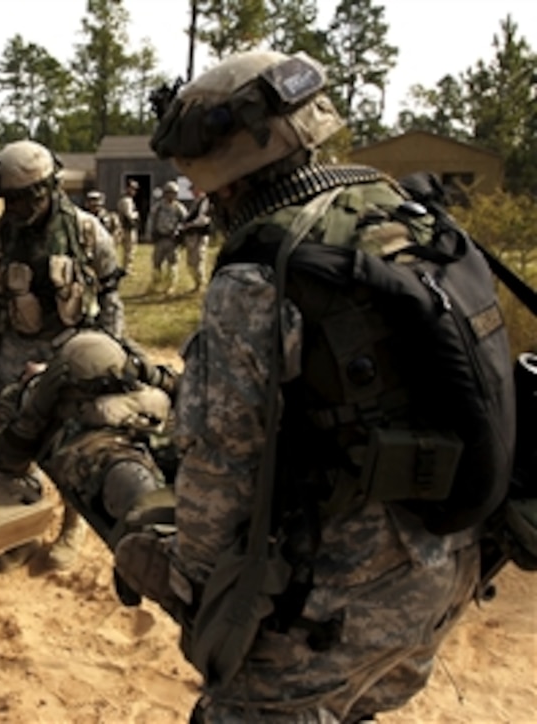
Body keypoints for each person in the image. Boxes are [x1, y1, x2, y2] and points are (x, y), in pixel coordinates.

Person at [120, 50, 486, 722]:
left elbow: (223, 459)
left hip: (337, 596)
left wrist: (187, 579)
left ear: (224, 179)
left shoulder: (262, 274)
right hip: (446, 564)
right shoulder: (403, 213)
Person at [0, 139, 125, 568]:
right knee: (14, 447)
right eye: (8, 200)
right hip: (15, 354)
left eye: (21, 199)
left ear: (46, 190)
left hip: (73, 351)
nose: (14, 209)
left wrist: (111, 366)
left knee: (72, 443)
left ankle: (71, 529)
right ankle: (22, 527)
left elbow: (110, 302)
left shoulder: (90, 234)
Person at [0, 330, 180, 569]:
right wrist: (33, 415)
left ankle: (72, 527)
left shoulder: (130, 390)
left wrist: (156, 376)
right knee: (124, 478)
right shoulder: (28, 398)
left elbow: (199, 394)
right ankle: (24, 530)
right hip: (76, 459)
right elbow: (6, 462)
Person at [144, 181, 187, 295]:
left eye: (173, 193)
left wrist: (181, 234)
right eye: (168, 193)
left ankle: (170, 285)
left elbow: (185, 222)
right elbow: (151, 220)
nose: (171, 195)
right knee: (156, 262)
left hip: (172, 239)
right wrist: (149, 234)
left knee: (172, 263)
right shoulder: (158, 207)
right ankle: (155, 284)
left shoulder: (179, 208)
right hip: (160, 238)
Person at [178, 188, 212, 294]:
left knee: (198, 259)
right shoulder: (196, 202)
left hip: (199, 235)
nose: (192, 192)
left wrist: (189, 225)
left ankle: (200, 284)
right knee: (191, 261)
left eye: (194, 189)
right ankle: (197, 283)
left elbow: (203, 220)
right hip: (192, 235)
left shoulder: (205, 202)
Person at [115, 179, 140, 273]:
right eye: (132, 189)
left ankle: (126, 267)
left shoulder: (125, 199)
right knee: (129, 249)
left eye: (135, 189)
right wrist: (136, 215)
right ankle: (127, 268)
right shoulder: (127, 200)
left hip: (125, 227)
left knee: (127, 249)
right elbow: (128, 215)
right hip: (127, 228)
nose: (134, 191)